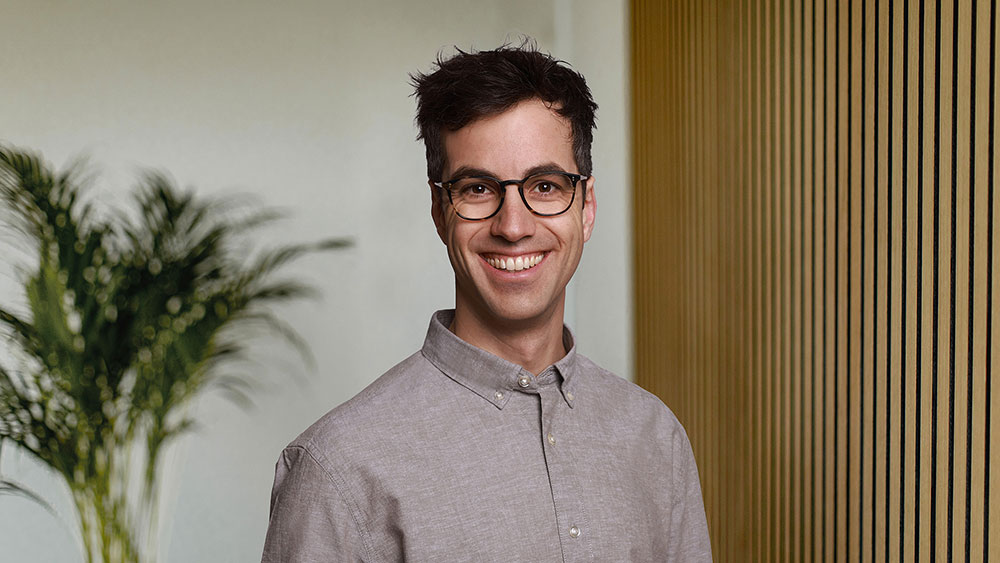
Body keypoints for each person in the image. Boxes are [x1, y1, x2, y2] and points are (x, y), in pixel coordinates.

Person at [261, 43, 712, 562]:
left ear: (586, 207)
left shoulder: (655, 437)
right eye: (478, 188)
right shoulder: (338, 468)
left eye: (545, 185)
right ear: (439, 210)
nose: (513, 227)